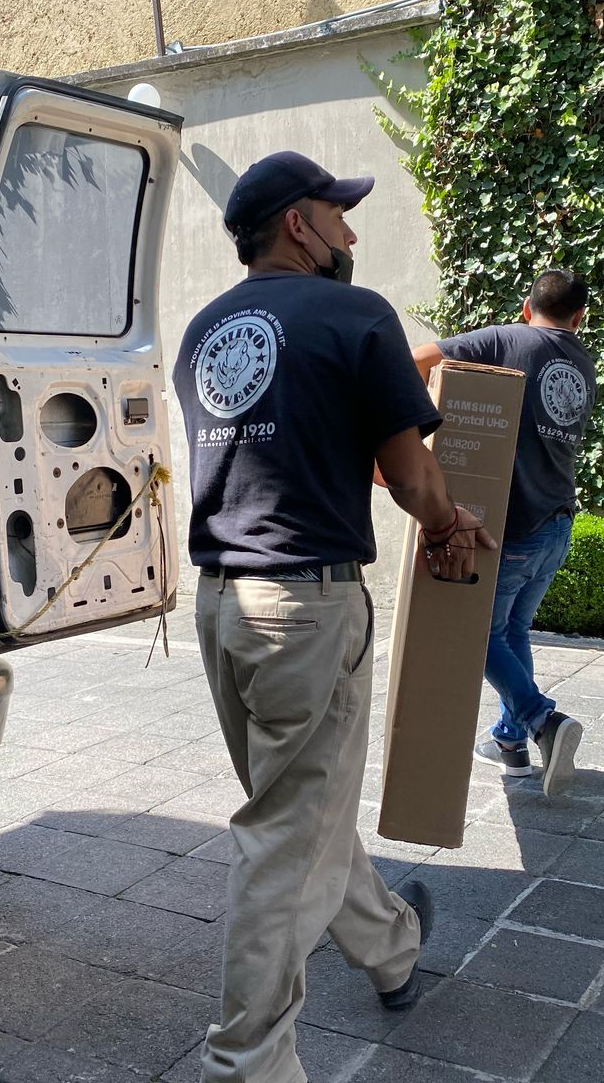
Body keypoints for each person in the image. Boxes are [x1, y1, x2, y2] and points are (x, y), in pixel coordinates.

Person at [174, 150, 496, 1083]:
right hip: (306, 613)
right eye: (337, 213)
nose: (351, 231)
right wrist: (450, 522)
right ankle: (247, 1065)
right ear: (297, 225)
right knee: (284, 836)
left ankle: (391, 948)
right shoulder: (358, 315)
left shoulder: (204, 330)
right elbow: (413, 478)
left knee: (298, 807)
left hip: (223, 608)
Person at [410, 268, 597, 796]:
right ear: (579, 318)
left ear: (525, 306)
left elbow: (415, 361)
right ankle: (510, 741)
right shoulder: (582, 362)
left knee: (480, 637)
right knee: (514, 631)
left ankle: (545, 722)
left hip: (514, 528)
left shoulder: (504, 339)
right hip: (557, 524)